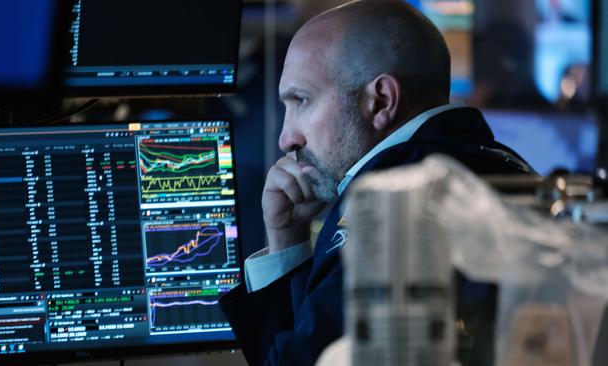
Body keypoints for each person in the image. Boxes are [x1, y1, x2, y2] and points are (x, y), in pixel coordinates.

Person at [220, 1, 535, 365]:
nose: (287, 138)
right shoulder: (495, 163)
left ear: (381, 101)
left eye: (302, 101)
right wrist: (288, 238)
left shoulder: (393, 201)